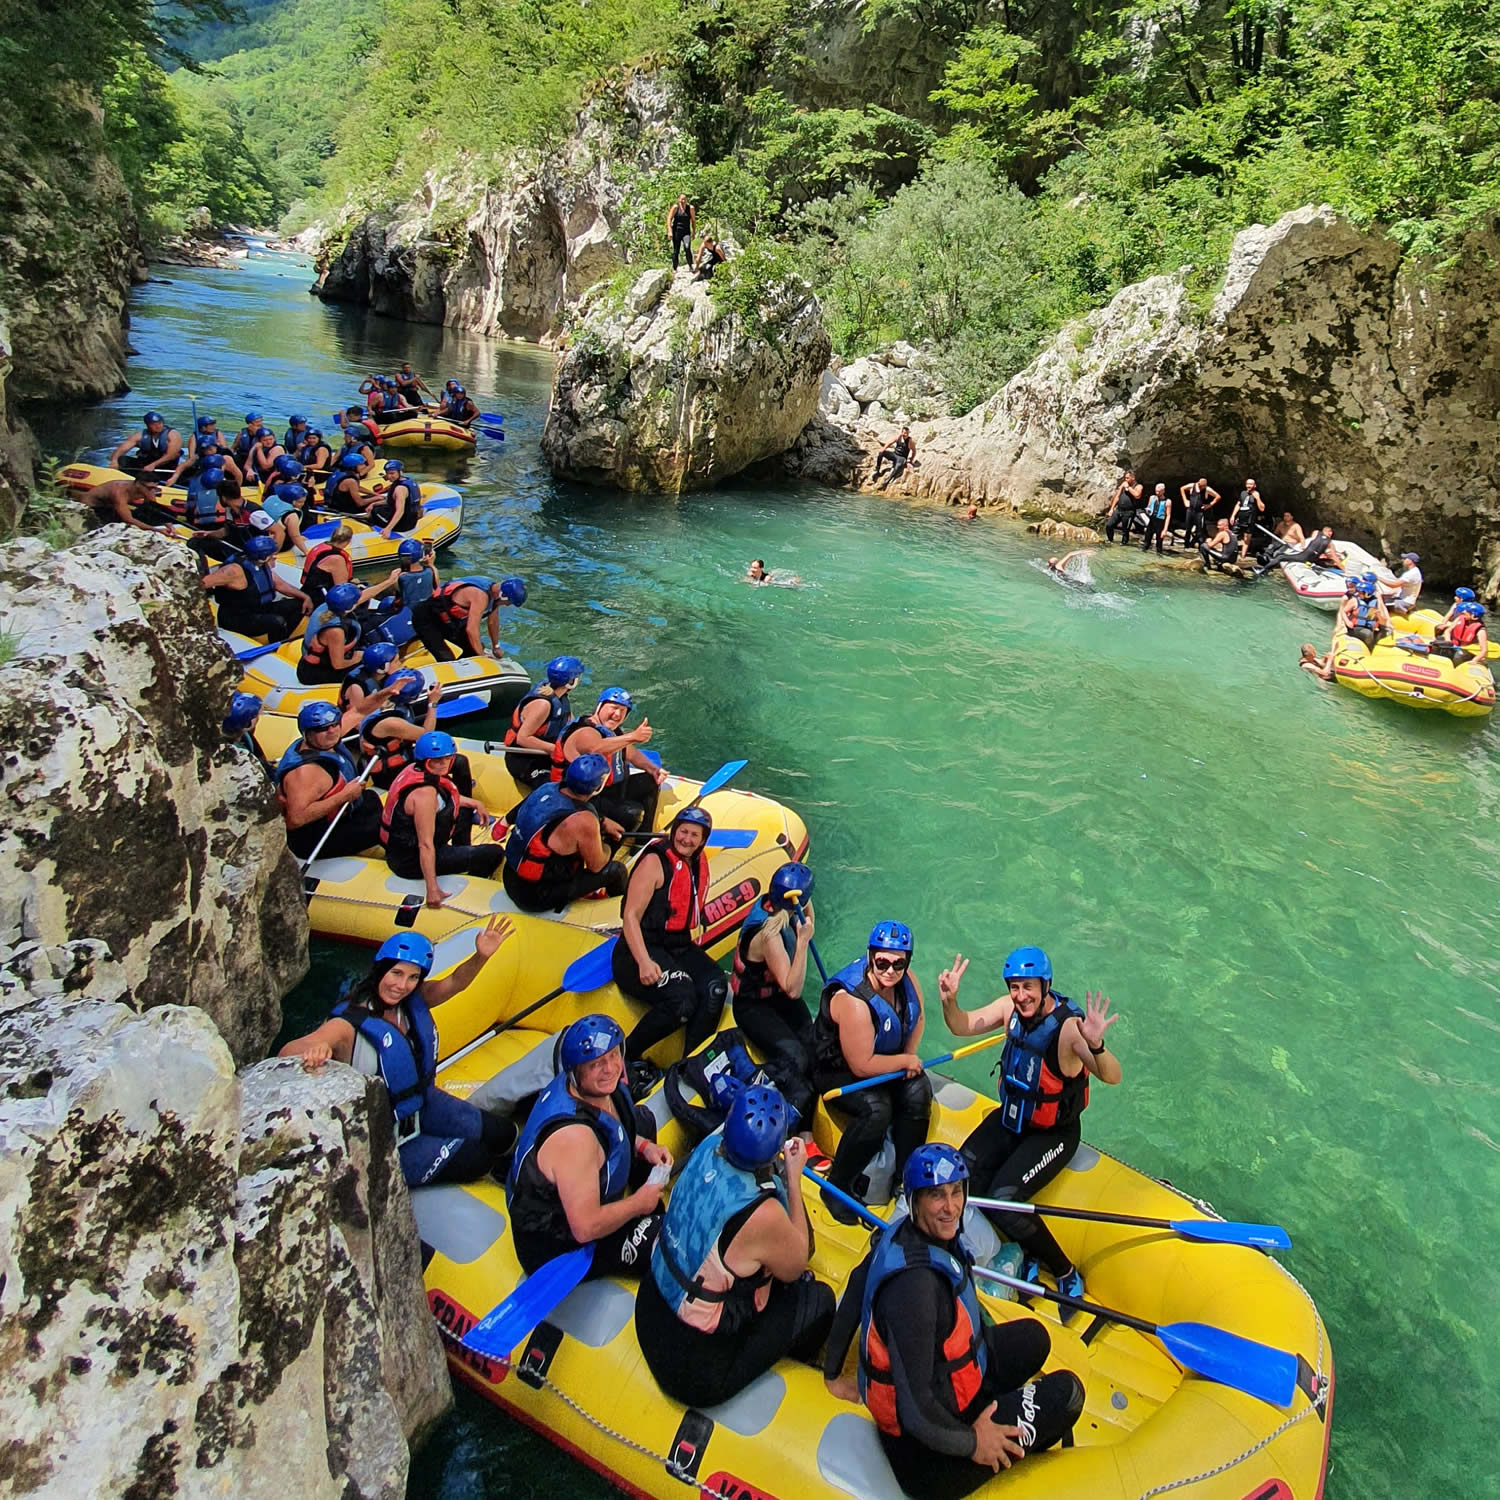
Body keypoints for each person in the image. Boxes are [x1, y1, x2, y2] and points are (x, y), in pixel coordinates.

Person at [822, 1144, 1085, 1500]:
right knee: (1068, 1395)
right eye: (936, 1196)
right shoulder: (913, 1291)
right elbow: (916, 1413)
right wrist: (974, 1443)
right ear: (915, 1201)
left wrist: (832, 1371)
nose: (951, 1207)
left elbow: (857, 1285)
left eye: (956, 1191)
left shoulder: (902, 1234)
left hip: (956, 1383)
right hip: (927, 1452)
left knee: (1034, 1338)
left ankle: (991, 1410)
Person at [941, 947, 1121, 1302]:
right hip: (1013, 1118)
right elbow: (961, 1025)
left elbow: (1112, 1076)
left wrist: (1097, 1045)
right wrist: (949, 1001)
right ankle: (1019, 1251)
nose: (1021, 996)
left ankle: (1065, 1270)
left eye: (1028, 987)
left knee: (1004, 1198)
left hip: (1054, 1134)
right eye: (1015, 987)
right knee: (962, 1175)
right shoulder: (1009, 1009)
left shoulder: (1069, 1030)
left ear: (1045, 986)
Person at [637, 1084, 834, 1405]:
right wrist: (793, 1179)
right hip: (692, 1366)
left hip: (650, 1307)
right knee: (818, 1300)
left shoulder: (708, 1146)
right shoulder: (763, 1213)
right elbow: (798, 1261)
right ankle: (800, 1366)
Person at [280, 924, 519, 1187]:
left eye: (412, 977)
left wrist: (481, 957)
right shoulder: (347, 1024)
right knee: (478, 1157)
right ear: (381, 969)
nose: (402, 985)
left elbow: (455, 982)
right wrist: (316, 1049)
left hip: (422, 1104)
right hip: (383, 1136)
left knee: (502, 1133)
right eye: (396, 973)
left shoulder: (413, 1000)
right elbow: (290, 1050)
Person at [506, 1013, 671, 1276]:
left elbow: (613, 1128)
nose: (610, 1068)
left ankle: (650, 1207)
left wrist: (643, 1147)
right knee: (667, 1243)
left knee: (642, 1121)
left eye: (613, 1055)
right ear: (577, 1072)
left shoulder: (592, 1087)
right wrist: (638, 1204)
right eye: (596, 1064)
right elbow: (585, 1228)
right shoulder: (576, 1140)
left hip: (583, 1182)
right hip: (561, 1245)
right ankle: (647, 1216)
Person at [812, 920, 931, 1222]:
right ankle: (836, 1187)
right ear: (870, 957)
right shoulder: (854, 1001)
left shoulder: (907, 981)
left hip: (881, 1059)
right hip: (838, 1070)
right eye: (882, 963)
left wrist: (908, 1056)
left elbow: (917, 1019)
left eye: (898, 964)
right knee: (877, 1109)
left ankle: (906, 1179)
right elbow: (861, 1064)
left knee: (919, 1090)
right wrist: (903, 1062)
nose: (890, 970)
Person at [613, 805, 728, 1065]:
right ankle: (626, 1056)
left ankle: (692, 1064)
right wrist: (644, 961)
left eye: (694, 835)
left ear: (703, 840)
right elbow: (630, 916)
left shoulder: (696, 862)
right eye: (683, 832)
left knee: (715, 987)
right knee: (682, 1001)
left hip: (678, 945)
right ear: (674, 830)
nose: (687, 839)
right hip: (639, 950)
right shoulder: (654, 862)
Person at [728, 863, 817, 1125]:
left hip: (776, 996)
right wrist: (802, 943)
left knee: (814, 1045)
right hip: (752, 1005)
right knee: (796, 1058)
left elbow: (807, 911)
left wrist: (806, 917)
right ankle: (764, 1095)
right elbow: (793, 989)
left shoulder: (779, 905)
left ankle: (808, 1123)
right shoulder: (769, 934)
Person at [380, 731, 502, 904]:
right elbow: (425, 845)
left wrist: (475, 803)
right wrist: (432, 889)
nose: (444, 764)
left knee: (463, 810)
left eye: (447, 758)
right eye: (437, 760)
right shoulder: (424, 795)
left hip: (409, 846)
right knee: (493, 853)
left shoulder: (415, 770)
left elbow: (447, 797)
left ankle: (461, 850)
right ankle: (473, 881)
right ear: (426, 761)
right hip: (410, 861)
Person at [502, 753, 630, 912]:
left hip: (510, 876)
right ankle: (618, 911)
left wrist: (602, 821)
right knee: (616, 870)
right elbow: (596, 866)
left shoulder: (547, 788)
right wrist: (609, 845)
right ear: (598, 787)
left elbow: (559, 811)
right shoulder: (584, 821)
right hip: (535, 895)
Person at [274, 700, 384, 860]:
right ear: (307, 733)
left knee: (370, 799)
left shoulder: (325, 739)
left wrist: (390, 691)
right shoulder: (306, 772)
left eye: (335, 725)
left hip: (337, 818)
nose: (332, 731)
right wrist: (344, 796)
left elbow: (358, 711)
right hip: (313, 839)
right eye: (323, 728)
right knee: (379, 827)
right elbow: (295, 819)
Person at [550, 686, 665, 836]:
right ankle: (611, 845)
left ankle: (643, 838)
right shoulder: (585, 731)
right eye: (614, 708)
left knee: (650, 781)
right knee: (632, 812)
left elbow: (632, 754)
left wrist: (653, 769)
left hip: (607, 790)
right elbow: (595, 748)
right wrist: (632, 736)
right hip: (583, 796)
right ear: (599, 707)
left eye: (623, 711)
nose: (617, 714)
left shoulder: (612, 732)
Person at [201, 534, 310, 640]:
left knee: (298, 605)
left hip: (258, 609)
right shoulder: (233, 571)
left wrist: (305, 597)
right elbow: (202, 583)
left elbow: (280, 585)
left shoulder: (260, 565)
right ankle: (275, 646)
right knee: (277, 621)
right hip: (235, 617)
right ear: (262, 557)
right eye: (272, 554)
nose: (275, 557)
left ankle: (281, 639)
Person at [503, 654, 583, 790]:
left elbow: (570, 725)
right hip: (524, 759)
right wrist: (554, 749)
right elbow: (523, 738)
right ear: (571, 681)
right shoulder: (543, 705)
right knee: (558, 787)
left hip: (545, 756)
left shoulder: (561, 697)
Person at [410, 575, 525, 661]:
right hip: (427, 619)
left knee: (473, 651)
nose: (507, 605)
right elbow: (471, 629)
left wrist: (496, 646)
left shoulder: (494, 595)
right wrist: (482, 656)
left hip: (450, 622)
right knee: (447, 659)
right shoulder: (480, 596)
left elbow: (493, 622)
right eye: (509, 602)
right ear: (503, 596)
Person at [297, 581, 366, 684]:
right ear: (349, 607)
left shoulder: (328, 606)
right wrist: (357, 658)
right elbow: (338, 665)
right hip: (314, 673)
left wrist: (388, 581)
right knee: (367, 665)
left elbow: (363, 596)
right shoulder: (335, 631)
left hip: (316, 663)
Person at [76, 477, 177, 534]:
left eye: (154, 488)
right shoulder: (119, 492)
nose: (152, 491)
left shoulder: (147, 490)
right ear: (138, 484)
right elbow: (128, 519)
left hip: (110, 508)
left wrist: (168, 524)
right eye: (149, 488)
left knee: (147, 513)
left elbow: (153, 509)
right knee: (121, 524)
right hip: (94, 508)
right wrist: (156, 530)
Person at [110, 411, 182, 476]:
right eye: (153, 424)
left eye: (159, 423)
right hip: (145, 467)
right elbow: (122, 449)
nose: (158, 426)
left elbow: (171, 456)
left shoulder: (172, 435)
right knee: (122, 460)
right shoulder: (139, 436)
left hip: (165, 468)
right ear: (147, 425)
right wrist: (114, 460)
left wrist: (153, 465)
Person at [300, 523, 357, 606]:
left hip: (307, 590)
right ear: (349, 541)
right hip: (319, 598)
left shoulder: (321, 548)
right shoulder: (337, 559)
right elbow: (342, 590)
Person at [367, 459, 422, 536]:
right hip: (412, 520)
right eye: (387, 473)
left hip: (402, 525)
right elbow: (391, 501)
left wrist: (388, 529)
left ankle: (371, 528)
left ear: (400, 472)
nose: (389, 476)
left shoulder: (400, 489)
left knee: (375, 511)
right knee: (378, 507)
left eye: (392, 473)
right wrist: (373, 504)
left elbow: (400, 511)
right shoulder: (409, 481)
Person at [1343, 573, 1390, 650]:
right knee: (1367, 634)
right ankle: (1370, 650)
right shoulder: (1355, 600)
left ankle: (1377, 648)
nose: (1358, 593)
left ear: (1367, 594)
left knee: (1382, 632)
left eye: (1361, 592)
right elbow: (1343, 611)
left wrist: (1379, 617)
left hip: (1368, 628)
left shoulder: (1375, 602)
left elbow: (1381, 620)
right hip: (1355, 628)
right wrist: (1347, 622)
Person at [1177, 478, 1220, 547]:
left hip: (1199, 512)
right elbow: (1182, 488)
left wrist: (1209, 505)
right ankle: (1186, 544)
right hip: (1190, 510)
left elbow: (1218, 496)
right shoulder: (1192, 486)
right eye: (1201, 486)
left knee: (1200, 530)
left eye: (1204, 486)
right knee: (1188, 528)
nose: (1202, 488)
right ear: (1198, 483)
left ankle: (1200, 546)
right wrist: (1185, 500)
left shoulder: (1207, 489)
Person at [1104, 471, 1143, 544]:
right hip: (1119, 509)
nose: (1126, 479)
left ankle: (1124, 544)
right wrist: (1111, 509)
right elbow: (1117, 496)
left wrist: (1128, 487)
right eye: (1125, 478)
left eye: (1127, 478)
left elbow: (1137, 495)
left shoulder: (1138, 486)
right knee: (1109, 525)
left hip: (1129, 512)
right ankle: (1110, 540)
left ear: (1133, 478)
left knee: (1125, 530)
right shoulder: (1123, 484)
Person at [1231, 478, 1265, 561]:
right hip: (1240, 518)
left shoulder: (1257, 494)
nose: (1249, 486)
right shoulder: (1243, 493)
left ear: (1254, 485)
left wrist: (1257, 498)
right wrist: (1233, 515)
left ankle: (1243, 556)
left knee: (1246, 539)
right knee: (1232, 536)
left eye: (1251, 484)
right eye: (1248, 484)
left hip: (1249, 519)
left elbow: (1262, 509)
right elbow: (1238, 504)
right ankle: (1231, 553)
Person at [667, 194, 697, 270]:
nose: (683, 201)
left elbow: (693, 221)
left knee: (687, 247)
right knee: (676, 250)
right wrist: (669, 231)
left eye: (684, 199)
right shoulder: (675, 207)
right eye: (681, 199)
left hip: (686, 232)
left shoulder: (690, 208)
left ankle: (690, 265)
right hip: (676, 231)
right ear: (678, 199)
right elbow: (669, 219)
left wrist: (694, 232)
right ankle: (675, 268)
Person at [1140, 483, 1171, 554]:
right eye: (1156, 491)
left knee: (1159, 544)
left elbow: (1168, 516)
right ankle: (1143, 554)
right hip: (1151, 521)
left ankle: (1159, 556)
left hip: (1160, 523)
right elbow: (1148, 507)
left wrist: (1165, 530)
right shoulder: (1152, 498)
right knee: (1146, 542)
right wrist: (1147, 511)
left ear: (1163, 491)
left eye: (1159, 492)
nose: (1157, 493)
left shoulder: (1167, 502)